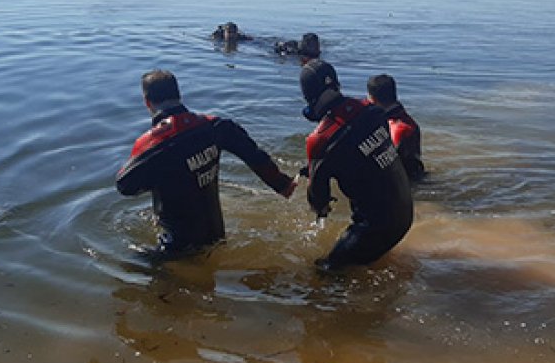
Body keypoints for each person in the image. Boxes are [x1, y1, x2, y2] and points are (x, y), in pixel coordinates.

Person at [116, 69, 296, 260]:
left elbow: (125, 185)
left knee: (127, 261)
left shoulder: (155, 146)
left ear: (147, 103)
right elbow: (252, 153)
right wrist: (282, 184)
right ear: (178, 95)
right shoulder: (214, 127)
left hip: (177, 248)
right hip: (216, 236)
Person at [299, 59, 413, 270]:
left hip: (375, 228)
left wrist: (316, 171)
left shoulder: (320, 140)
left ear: (308, 96)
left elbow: (319, 203)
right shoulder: (373, 110)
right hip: (406, 214)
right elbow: (367, 156)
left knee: (322, 272)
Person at [366, 74, 426, 182]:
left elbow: (388, 168)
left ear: (372, 99)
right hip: (414, 176)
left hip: (405, 184)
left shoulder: (397, 129)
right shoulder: (405, 121)